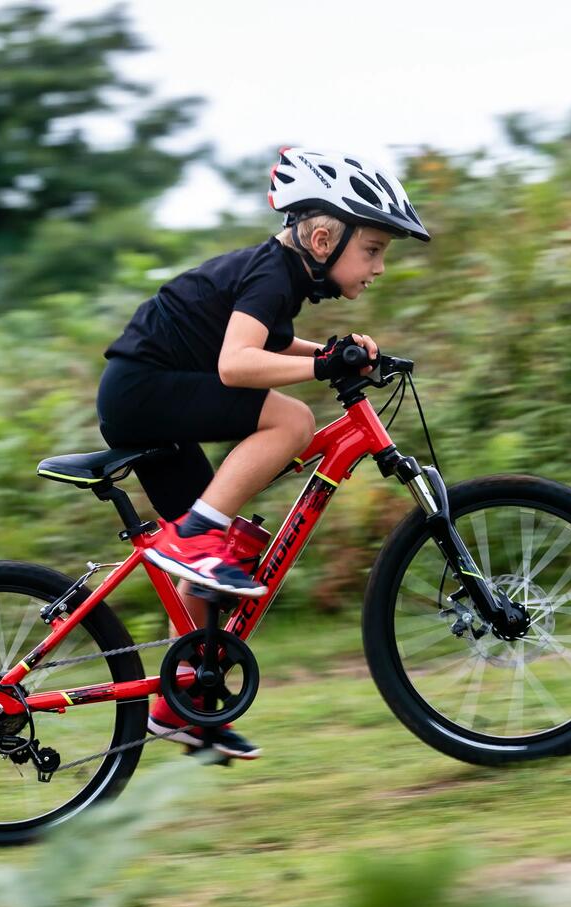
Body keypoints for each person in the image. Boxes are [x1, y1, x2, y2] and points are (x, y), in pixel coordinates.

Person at [96, 147, 431, 759]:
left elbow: (265, 342)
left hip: (147, 393)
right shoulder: (272, 275)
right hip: (144, 391)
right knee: (292, 418)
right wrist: (322, 364)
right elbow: (237, 363)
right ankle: (198, 533)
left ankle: (182, 704)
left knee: (199, 574)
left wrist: (335, 354)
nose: (379, 267)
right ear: (325, 236)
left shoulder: (279, 281)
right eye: (374, 250)